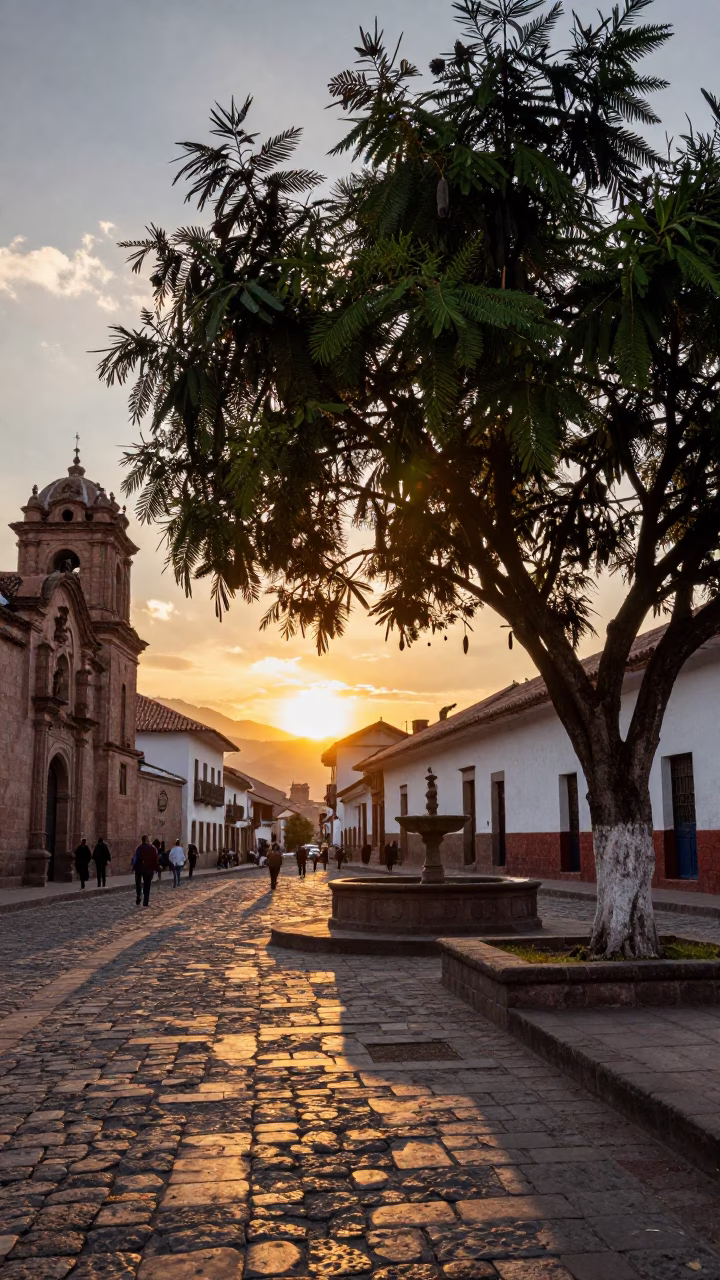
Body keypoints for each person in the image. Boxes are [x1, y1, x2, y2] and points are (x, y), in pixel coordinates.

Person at [133, 835, 159, 907]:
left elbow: (135, 859)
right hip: (149, 869)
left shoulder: (139, 848)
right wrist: (156, 868)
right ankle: (145, 902)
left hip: (139, 868)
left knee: (138, 882)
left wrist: (134, 867)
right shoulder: (153, 848)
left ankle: (139, 894)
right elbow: (156, 859)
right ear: (148, 840)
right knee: (147, 885)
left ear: (142, 840)